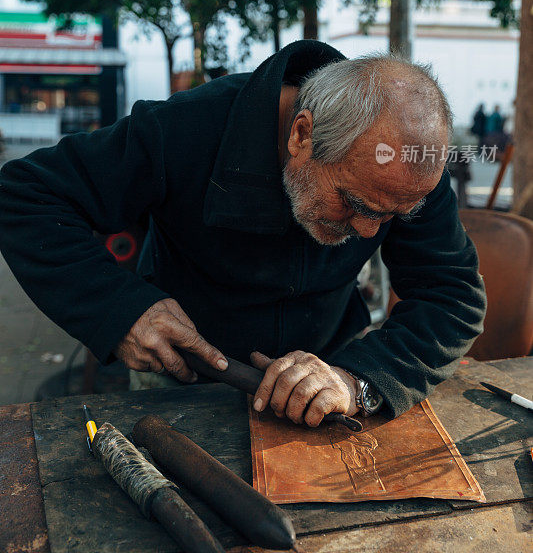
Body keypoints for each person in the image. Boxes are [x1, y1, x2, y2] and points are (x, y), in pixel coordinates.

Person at [0, 41, 486, 425]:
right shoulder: (185, 128)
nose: (366, 231)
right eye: (355, 204)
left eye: (389, 215)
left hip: (332, 377)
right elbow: (24, 195)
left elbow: (453, 295)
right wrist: (119, 310)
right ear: (301, 135)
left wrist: (358, 380)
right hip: (184, 383)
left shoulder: (402, 167)